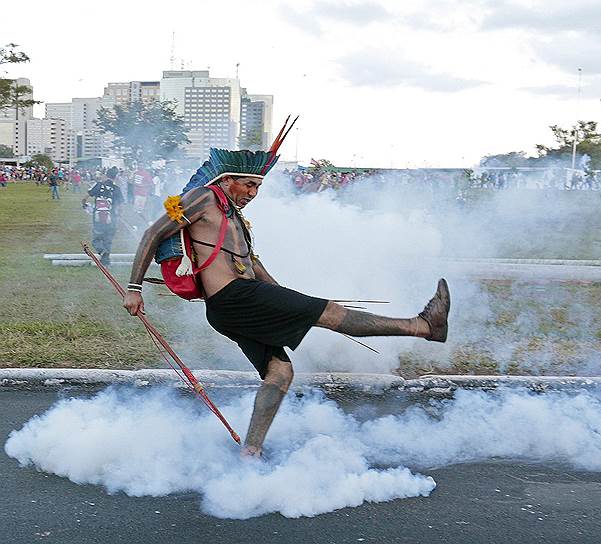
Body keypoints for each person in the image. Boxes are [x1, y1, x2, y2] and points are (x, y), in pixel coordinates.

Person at [122, 148, 451, 458]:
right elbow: (152, 234)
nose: (252, 193)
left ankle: (250, 453)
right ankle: (424, 326)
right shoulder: (203, 197)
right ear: (226, 180)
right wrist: (134, 288)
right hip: (234, 298)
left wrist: (284, 298)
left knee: (279, 372)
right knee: (331, 313)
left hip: (233, 305)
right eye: (248, 184)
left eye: (257, 187)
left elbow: (252, 264)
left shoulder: (232, 215)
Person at [83, 167, 124, 266]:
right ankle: (106, 261)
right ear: (115, 177)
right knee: (108, 240)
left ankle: (102, 252)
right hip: (111, 218)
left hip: (98, 218)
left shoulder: (98, 185)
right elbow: (121, 206)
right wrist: (119, 215)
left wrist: (84, 203)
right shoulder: (117, 189)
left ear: (106, 175)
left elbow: (86, 196)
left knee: (96, 239)